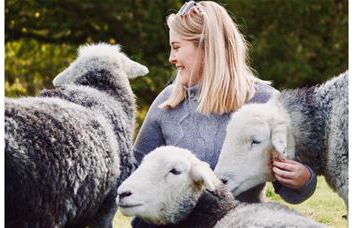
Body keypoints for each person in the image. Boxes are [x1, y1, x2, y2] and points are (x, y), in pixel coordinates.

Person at [131, 1, 317, 227]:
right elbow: (133, 172)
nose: (171, 57)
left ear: (207, 47)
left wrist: (302, 179)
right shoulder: (168, 102)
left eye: (177, 47)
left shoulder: (266, 103)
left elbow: (291, 188)